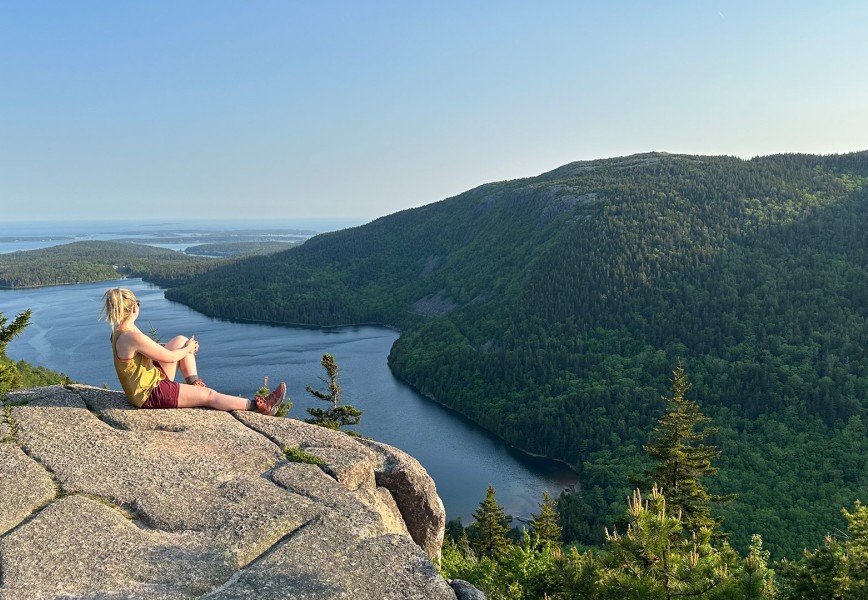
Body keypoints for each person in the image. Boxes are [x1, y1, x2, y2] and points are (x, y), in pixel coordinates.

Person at [100, 287, 285, 414]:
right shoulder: (132, 336)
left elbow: (154, 352)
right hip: (150, 394)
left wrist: (185, 348)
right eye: (138, 303)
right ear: (134, 307)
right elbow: (171, 356)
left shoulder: (122, 332)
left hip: (148, 383)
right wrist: (189, 349)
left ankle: (194, 383)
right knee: (209, 396)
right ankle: (259, 407)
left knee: (180, 340)